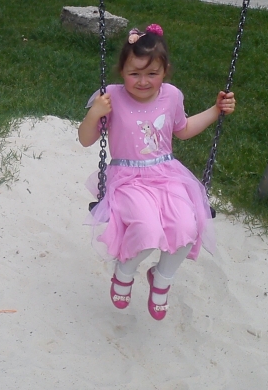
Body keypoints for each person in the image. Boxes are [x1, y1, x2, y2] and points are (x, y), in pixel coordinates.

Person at [78, 24, 235, 320]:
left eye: (152, 74)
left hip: (167, 175)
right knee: (148, 230)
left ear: (165, 71)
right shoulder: (110, 98)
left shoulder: (172, 96)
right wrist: (94, 113)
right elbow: (86, 139)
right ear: (121, 71)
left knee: (188, 226)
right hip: (128, 180)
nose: (143, 81)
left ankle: (161, 278)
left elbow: (183, 130)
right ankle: (124, 272)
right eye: (134, 73)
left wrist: (216, 110)